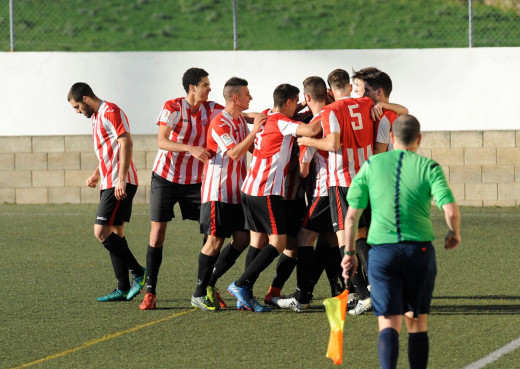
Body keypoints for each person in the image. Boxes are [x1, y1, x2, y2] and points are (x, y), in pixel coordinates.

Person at [341, 114, 461, 369]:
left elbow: (351, 217)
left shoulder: (372, 164)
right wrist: (453, 233)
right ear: (418, 139)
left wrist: (350, 253)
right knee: (416, 322)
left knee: (388, 322)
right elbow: (450, 209)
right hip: (419, 252)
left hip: (382, 254)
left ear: (392, 138)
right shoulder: (429, 167)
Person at [227, 83, 322, 312]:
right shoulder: (283, 122)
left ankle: (245, 295)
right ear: (289, 103)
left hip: (250, 189)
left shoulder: (267, 115)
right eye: (296, 102)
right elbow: (310, 131)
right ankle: (241, 285)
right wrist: (328, 112)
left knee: (260, 241)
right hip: (266, 191)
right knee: (278, 243)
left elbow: (248, 114)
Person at [139, 68, 224, 310]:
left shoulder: (211, 108)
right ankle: (151, 292)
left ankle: (206, 286)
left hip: (196, 182)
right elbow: (162, 141)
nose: (209, 88)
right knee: (157, 234)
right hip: (165, 179)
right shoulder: (173, 107)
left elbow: (239, 113)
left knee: (213, 231)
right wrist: (191, 148)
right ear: (192, 88)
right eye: (205, 84)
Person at [295, 69, 374, 314]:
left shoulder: (330, 111)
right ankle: (375, 288)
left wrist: (307, 141)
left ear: (331, 91)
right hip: (366, 179)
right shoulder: (366, 103)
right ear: (349, 86)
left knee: (344, 241)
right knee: (360, 238)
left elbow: (332, 144)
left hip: (342, 181)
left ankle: (362, 294)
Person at [190, 77, 266, 311]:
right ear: (236, 97)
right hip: (218, 192)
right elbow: (233, 153)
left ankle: (211, 284)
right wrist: (254, 132)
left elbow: (254, 128)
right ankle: (199, 292)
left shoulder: (239, 121)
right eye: (247, 94)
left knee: (242, 239)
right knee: (214, 241)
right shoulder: (220, 122)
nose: (250, 97)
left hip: (237, 193)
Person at [67, 82, 146, 302]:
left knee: (101, 232)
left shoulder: (111, 111)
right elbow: (108, 151)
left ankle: (139, 272)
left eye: (76, 107)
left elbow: (126, 142)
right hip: (109, 182)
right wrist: (96, 173)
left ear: (85, 99)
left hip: (120, 182)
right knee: (116, 233)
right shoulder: (95, 118)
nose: (77, 112)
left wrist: (121, 178)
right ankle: (122, 287)